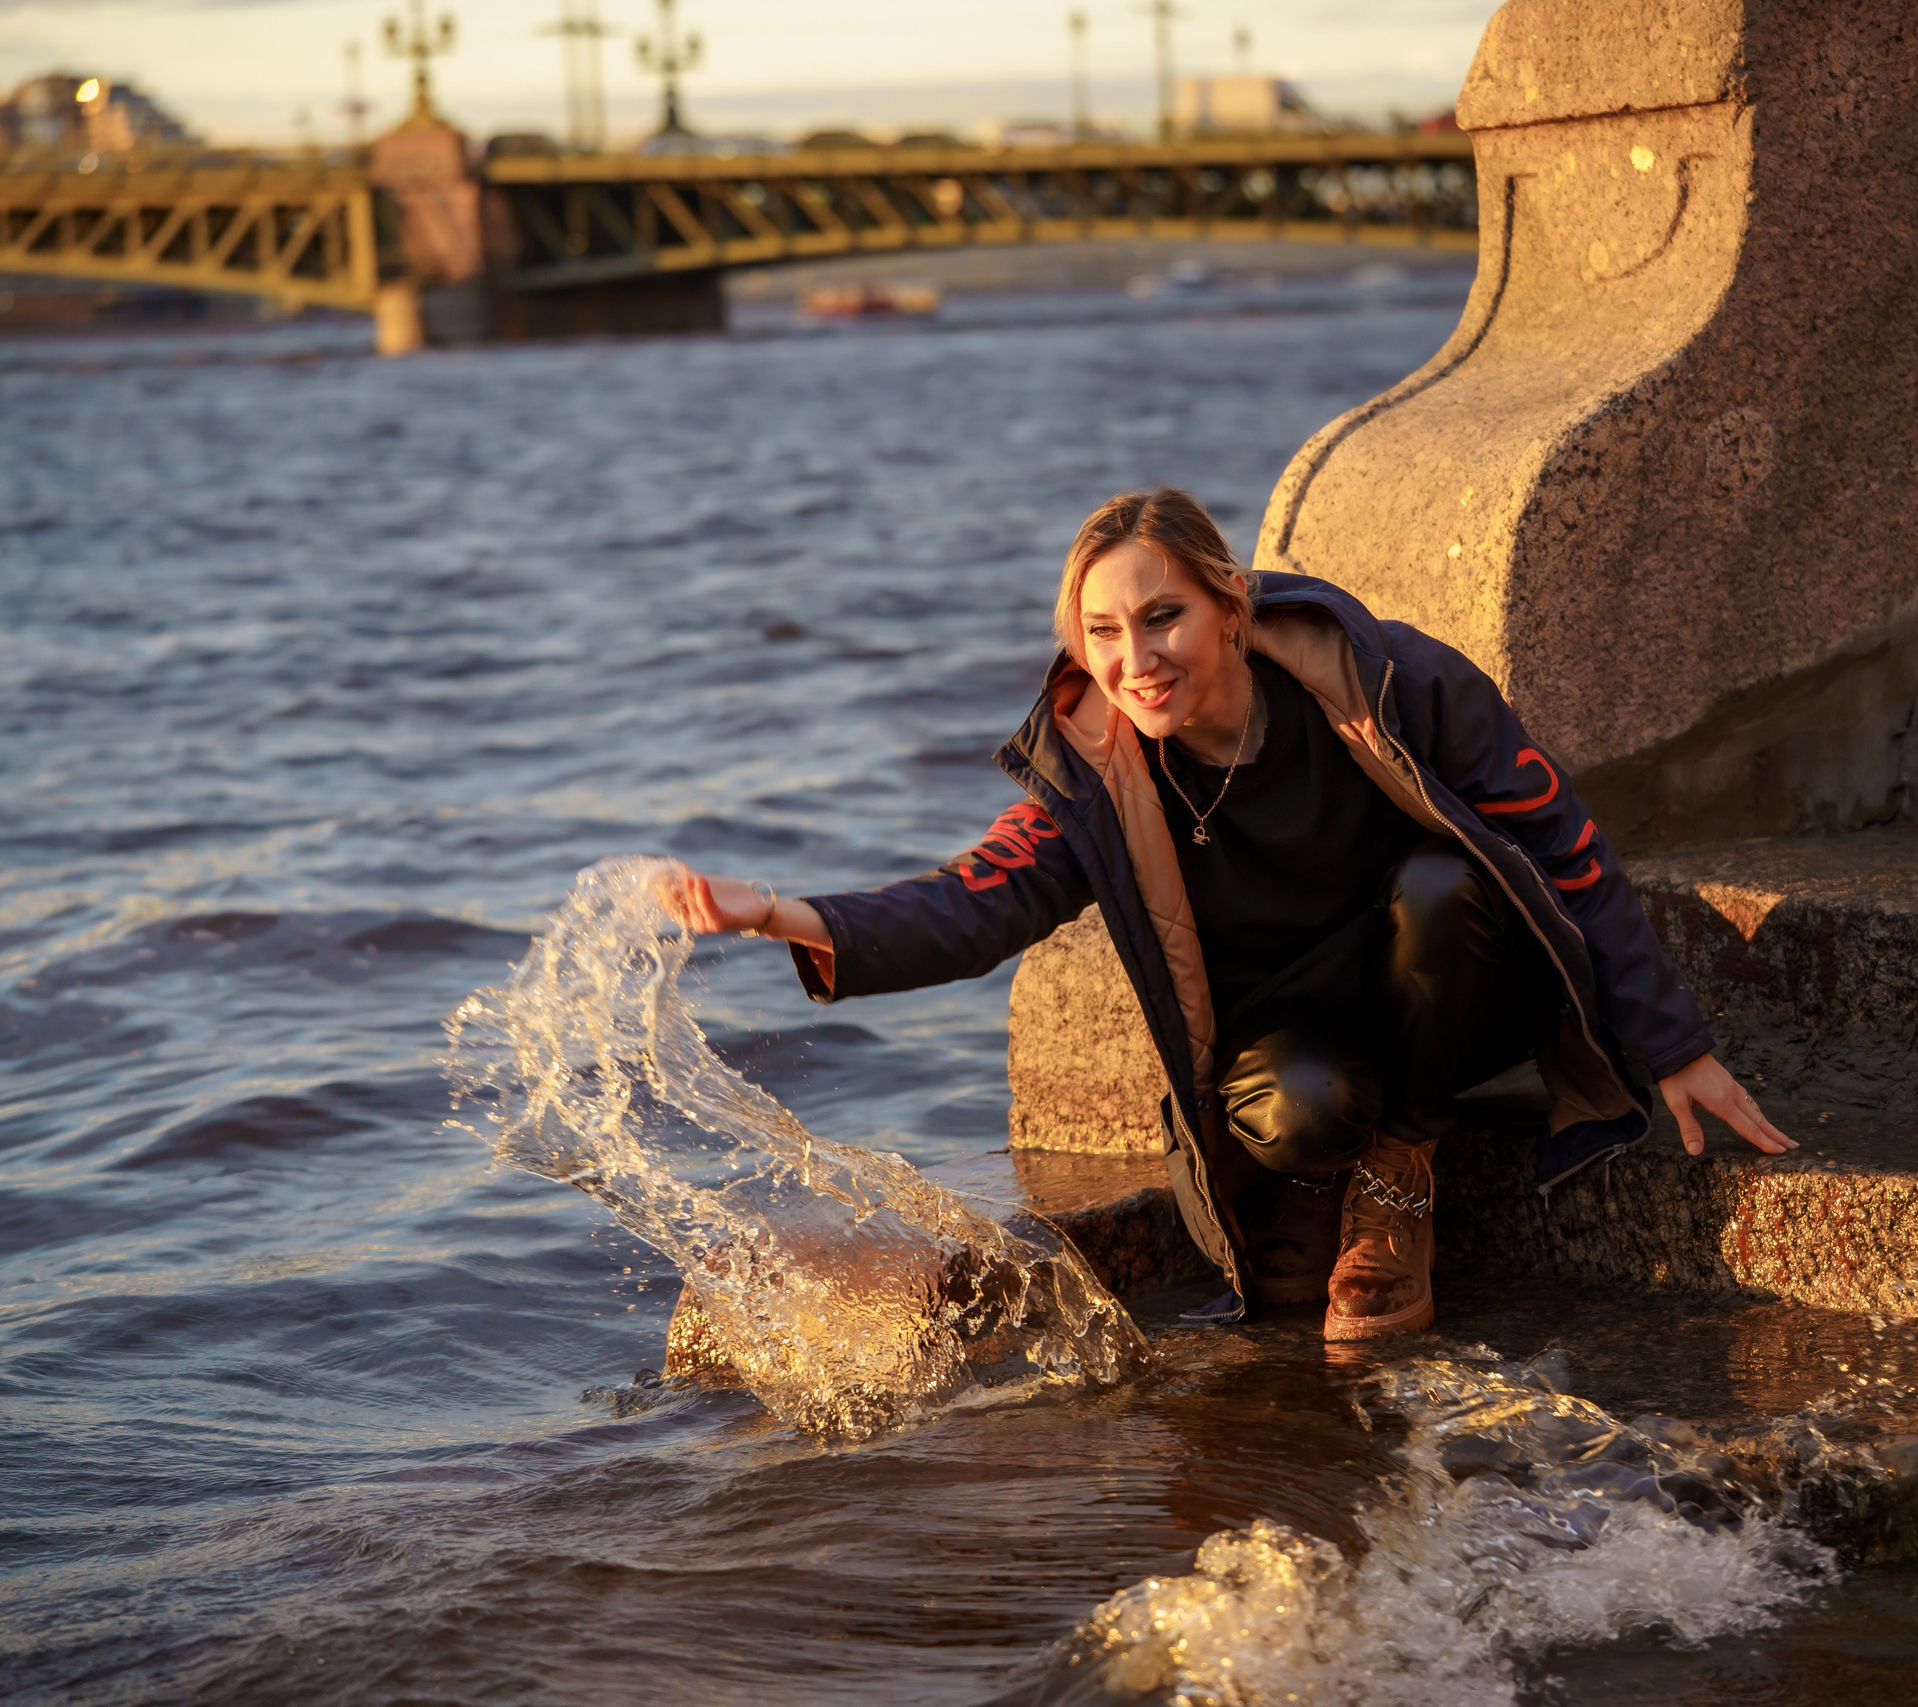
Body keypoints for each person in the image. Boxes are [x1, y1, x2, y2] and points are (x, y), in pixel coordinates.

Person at [661, 487, 1793, 1341]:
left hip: (1465, 978)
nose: (1135, 660)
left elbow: (1563, 844)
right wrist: (776, 912)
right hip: (1302, 1029)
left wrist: (1673, 1044)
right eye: (1102, 635)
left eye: (1163, 618)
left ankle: (1399, 1170)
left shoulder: (1390, 683)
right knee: (1291, 1112)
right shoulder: (1100, 780)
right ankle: (1337, 1156)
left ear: (1230, 606)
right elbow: (974, 901)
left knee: (1441, 890)